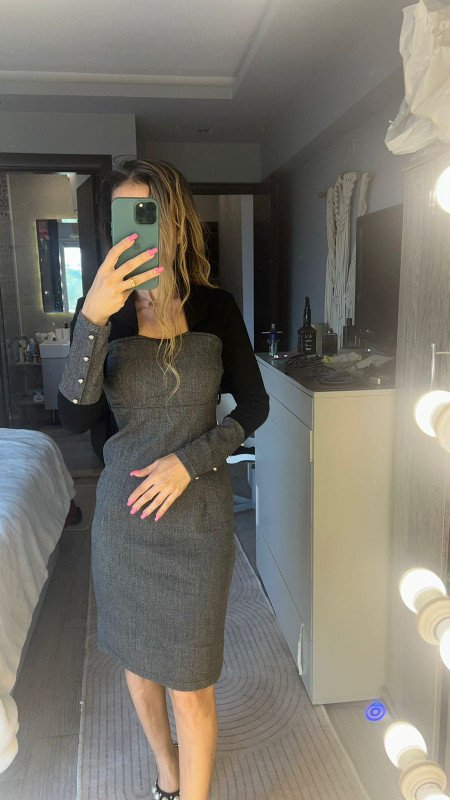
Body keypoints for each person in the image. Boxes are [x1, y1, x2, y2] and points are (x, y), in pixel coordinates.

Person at [57, 158, 269, 800]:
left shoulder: (216, 308)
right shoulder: (103, 312)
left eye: (145, 212)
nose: (133, 228)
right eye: (121, 215)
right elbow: (74, 417)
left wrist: (189, 462)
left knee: (192, 684)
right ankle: (169, 775)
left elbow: (254, 407)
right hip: (126, 522)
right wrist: (92, 321)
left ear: (174, 219)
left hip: (199, 520)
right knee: (140, 664)